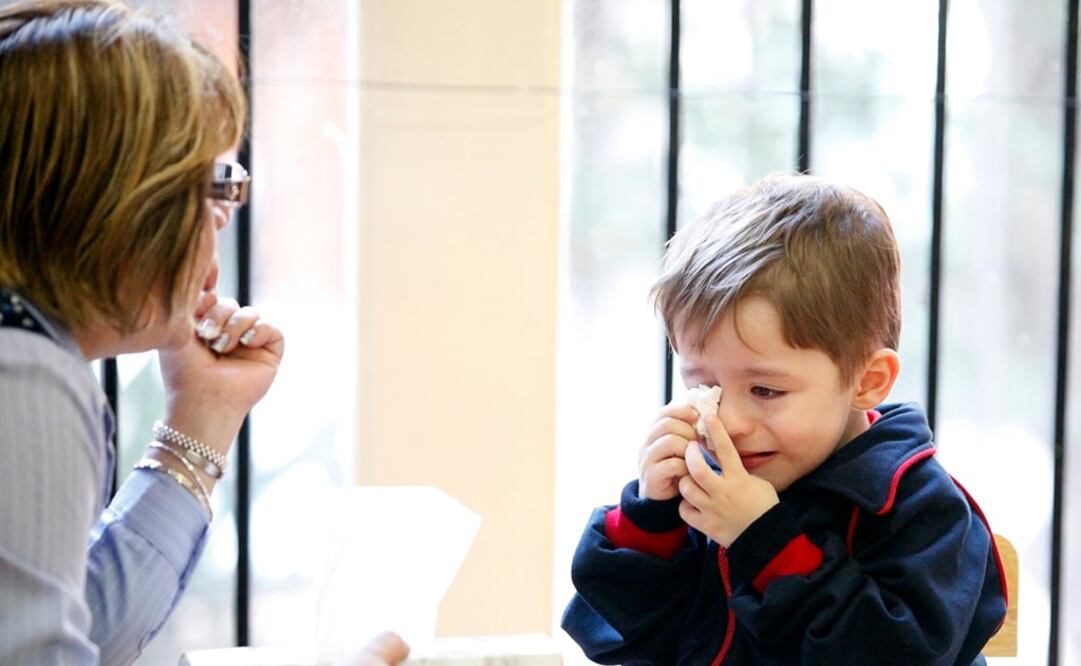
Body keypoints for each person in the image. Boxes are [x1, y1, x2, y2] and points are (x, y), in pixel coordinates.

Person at [0, 2, 405, 664]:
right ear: (127, 198)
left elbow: (80, 629)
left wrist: (201, 415)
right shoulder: (23, 372)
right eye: (213, 188)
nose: (220, 223)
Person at [561, 174, 1008, 664]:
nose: (727, 422)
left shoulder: (922, 509)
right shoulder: (707, 488)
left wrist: (764, 541)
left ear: (867, 381)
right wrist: (650, 521)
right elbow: (620, 642)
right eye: (705, 388)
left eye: (766, 390)